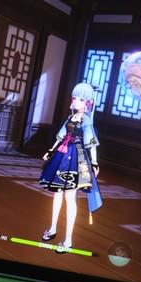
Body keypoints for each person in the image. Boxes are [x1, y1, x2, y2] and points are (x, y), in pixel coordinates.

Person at [39, 83, 103, 253]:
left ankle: (68, 240)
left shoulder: (86, 120)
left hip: (76, 158)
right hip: (62, 155)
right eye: (74, 98)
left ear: (87, 103)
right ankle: (53, 228)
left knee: (70, 197)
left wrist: (94, 162)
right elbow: (61, 136)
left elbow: (91, 143)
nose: (75, 101)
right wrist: (51, 150)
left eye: (80, 99)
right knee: (57, 193)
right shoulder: (71, 117)